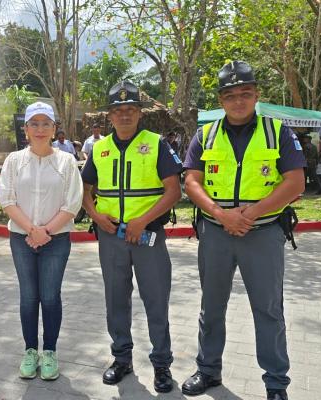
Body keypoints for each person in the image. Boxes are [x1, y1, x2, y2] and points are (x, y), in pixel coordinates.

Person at [181, 61, 305, 400]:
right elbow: (192, 180)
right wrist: (221, 214)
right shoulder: (205, 134)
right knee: (212, 305)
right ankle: (208, 371)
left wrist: (248, 214)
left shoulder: (277, 131)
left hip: (263, 232)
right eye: (231, 95)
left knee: (268, 309)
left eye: (245, 94)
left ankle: (276, 383)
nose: (238, 101)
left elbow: (295, 182)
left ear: (256, 95)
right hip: (216, 232)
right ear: (221, 99)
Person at [81, 81, 182, 393]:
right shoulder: (99, 148)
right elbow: (84, 192)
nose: (124, 115)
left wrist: (143, 221)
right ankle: (121, 359)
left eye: (130, 109)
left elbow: (173, 191)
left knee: (155, 300)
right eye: (117, 110)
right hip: (111, 237)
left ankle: (162, 365)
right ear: (109, 115)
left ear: (140, 113)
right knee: (115, 300)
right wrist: (97, 216)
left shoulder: (156, 143)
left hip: (147, 236)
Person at [0, 102, 83, 381]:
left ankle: (50, 352)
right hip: (21, 238)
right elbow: (6, 198)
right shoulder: (14, 160)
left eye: (46, 123)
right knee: (28, 296)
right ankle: (30, 350)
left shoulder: (66, 161)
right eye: (34, 123)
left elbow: (73, 202)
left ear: (54, 129)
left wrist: (45, 232)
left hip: (56, 240)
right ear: (25, 129)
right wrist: (32, 230)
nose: (40, 129)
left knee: (50, 296)